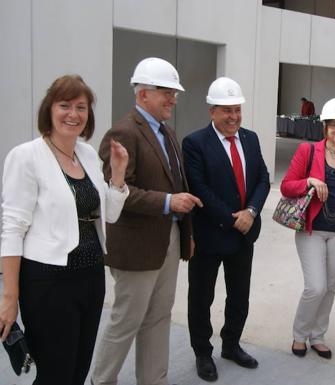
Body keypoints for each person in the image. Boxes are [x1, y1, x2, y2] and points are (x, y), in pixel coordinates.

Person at [0, 75, 129, 384]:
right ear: (50, 110)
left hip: (90, 278)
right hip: (49, 283)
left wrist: (119, 176)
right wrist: (10, 296)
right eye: (65, 105)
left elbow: (108, 215)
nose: (73, 114)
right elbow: (12, 228)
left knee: (78, 371)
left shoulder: (86, 154)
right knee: (55, 374)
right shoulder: (26, 156)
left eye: (81, 107)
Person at [92, 57, 201, 385]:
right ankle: (102, 380)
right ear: (142, 95)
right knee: (126, 320)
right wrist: (168, 203)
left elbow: (178, 184)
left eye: (175, 93)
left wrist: (185, 233)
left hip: (167, 240)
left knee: (158, 318)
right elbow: (117, 194)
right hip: (136, 249)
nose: (173, 99)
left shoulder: (167, 132)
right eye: (166, 92)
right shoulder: (123, 132)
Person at [183, 77, 270, 382]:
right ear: (212, 112)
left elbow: (263, 179)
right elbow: (200, 190)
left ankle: (231, 345)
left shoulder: (250, 138)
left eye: (237, 110)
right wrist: (234, 219)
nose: (233, 116)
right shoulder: (194, 144)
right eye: (226, 111)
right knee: (201, 298)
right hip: (210, 236)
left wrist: (252, 211)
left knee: (239, 296)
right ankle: (202, 353)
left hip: (244, 236)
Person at [281, 98, 335, 360]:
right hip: (312, 230)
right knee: (316, 287)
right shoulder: (308, 152)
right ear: (325, 127)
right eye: (334, 125)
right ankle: (300, 334)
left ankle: (317, 336)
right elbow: (286, 186)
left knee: (330, 287)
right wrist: (308, 180)